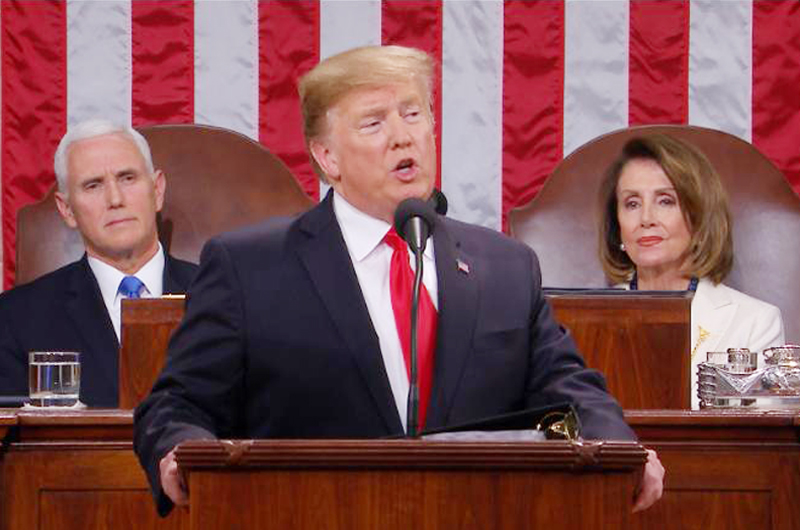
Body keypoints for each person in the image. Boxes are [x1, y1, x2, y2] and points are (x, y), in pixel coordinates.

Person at [134, 45, 663, 515]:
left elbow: (569, 390)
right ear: (326, 157)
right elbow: (176, 404)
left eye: (414, 114)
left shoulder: (505, 265)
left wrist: (619, 449)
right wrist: (179, 450)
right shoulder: (250, 267)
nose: (403, 135)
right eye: (373, 123)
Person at [0, 119, 197, 407]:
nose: (115, 199)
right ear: (66, 209)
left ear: (157, 190)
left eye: (127, 178)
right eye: (93, 185)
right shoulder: (13, 321)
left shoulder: (224, 299)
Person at [598, 134, 785, 408]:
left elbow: (758, 443)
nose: (646, 219)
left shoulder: (755, 323)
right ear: (616, 226)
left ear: (699, 217)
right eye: (632, 203)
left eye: (665, 201)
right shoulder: (583, 322)